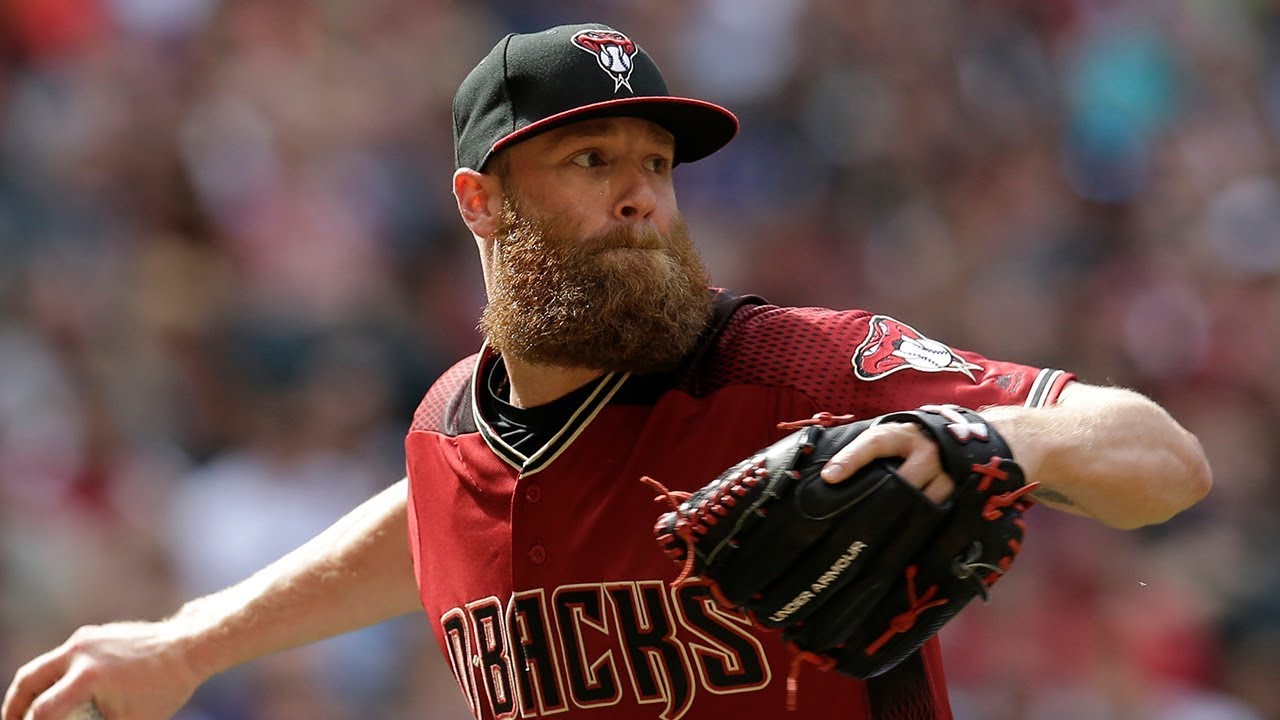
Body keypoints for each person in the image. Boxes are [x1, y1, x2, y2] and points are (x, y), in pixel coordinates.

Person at [3, 22, 1211, 720]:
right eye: (591, 161)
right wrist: (186, 645)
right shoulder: (450, 425)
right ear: (479, 202)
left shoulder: (791, 369)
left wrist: (989, 438)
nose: (640, 195)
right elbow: (435, 510)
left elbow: (1159, 457)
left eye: (656, 163)